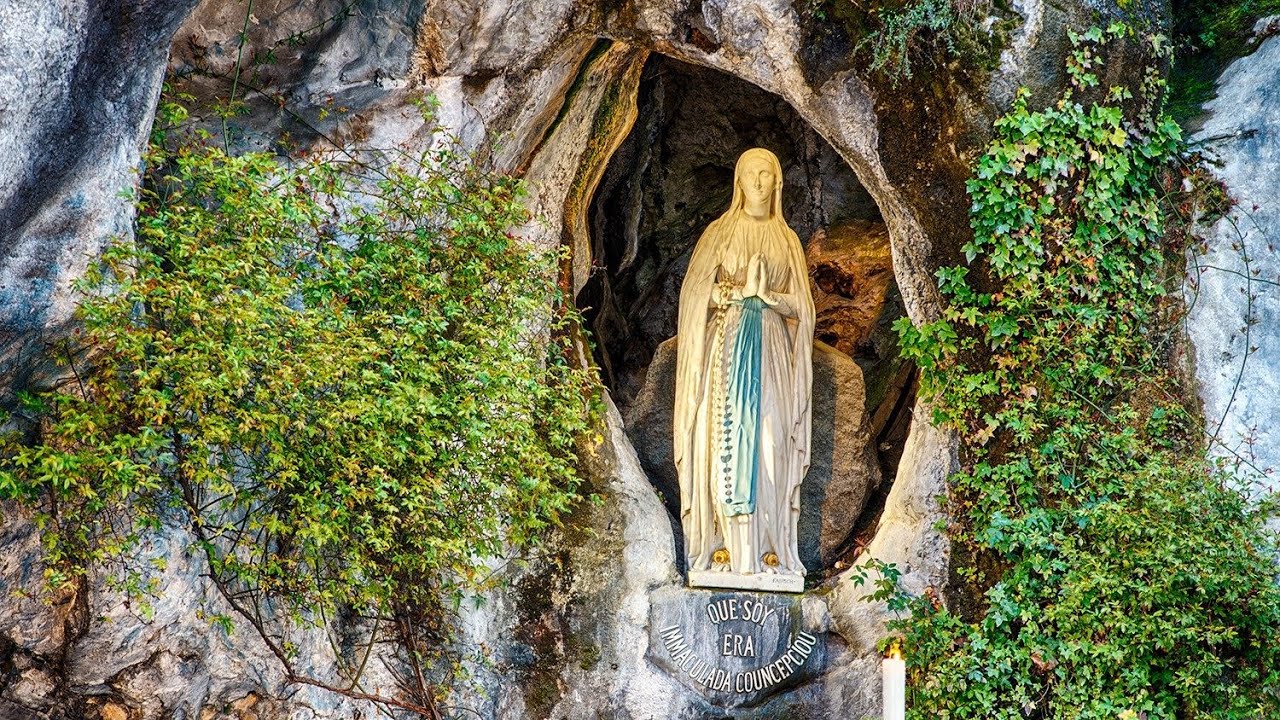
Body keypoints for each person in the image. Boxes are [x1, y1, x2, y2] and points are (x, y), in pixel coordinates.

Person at [673, 147, 815, 588]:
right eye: (750, 174)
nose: (758, 182)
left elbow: (803, 308)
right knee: (722, 444)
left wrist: (769, 297)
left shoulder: (786, 240)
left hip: (770, 351)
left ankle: (770, 551)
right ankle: (726, 551)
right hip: (727, 350)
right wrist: (731, 294)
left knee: (771, 445)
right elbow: (695, 294)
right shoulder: (720, 232)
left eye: (766, 174)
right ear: (738, 181)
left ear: (778, 183)